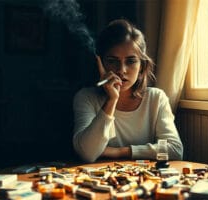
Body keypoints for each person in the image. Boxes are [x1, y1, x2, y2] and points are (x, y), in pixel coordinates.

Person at [73, 19, 183, 163]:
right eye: (112, 61)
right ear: (100, 64)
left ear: (142, 66)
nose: (121, 70)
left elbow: (175, 150)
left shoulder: (156, 98)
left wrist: (120, 152)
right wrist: (111, 100)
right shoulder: (86, 97)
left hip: (142, 179)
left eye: (131, 61)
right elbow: (87, 154)